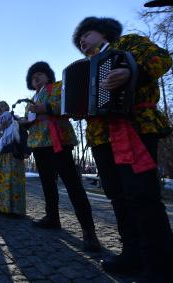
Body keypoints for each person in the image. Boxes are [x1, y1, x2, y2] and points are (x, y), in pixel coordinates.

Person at [73, 17, 173, 281]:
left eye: (86, 34)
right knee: (117, 196)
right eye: (78, 41)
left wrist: (132, 72)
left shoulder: (128, 43)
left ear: (103, 32)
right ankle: (131, 254)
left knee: (142, 195)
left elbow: (162, 58)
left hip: (134, 128)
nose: (82, 41)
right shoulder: (84, 68)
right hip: (100, 138)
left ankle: (160, 264)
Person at [21, 62, 100, 251]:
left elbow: (66, 106)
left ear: (48, 75)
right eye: (33, 77)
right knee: (47, 184)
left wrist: (44, 108)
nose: (36, 78)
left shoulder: (57, 88)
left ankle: (89, 231)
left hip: (59, 141)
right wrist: (23, 122)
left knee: (72, 184)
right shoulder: (32, 97)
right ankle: (52, 217)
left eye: (40, 74)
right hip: (39, 144)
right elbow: (31, 120)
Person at [0, 101, 28, 215]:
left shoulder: (14, 118)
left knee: (13, 181)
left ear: (7, 108)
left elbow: (23, 132)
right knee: (0, 181)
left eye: (2, 106)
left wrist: (26, 150)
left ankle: (14, 209)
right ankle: (0, 206)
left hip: (13, 155)